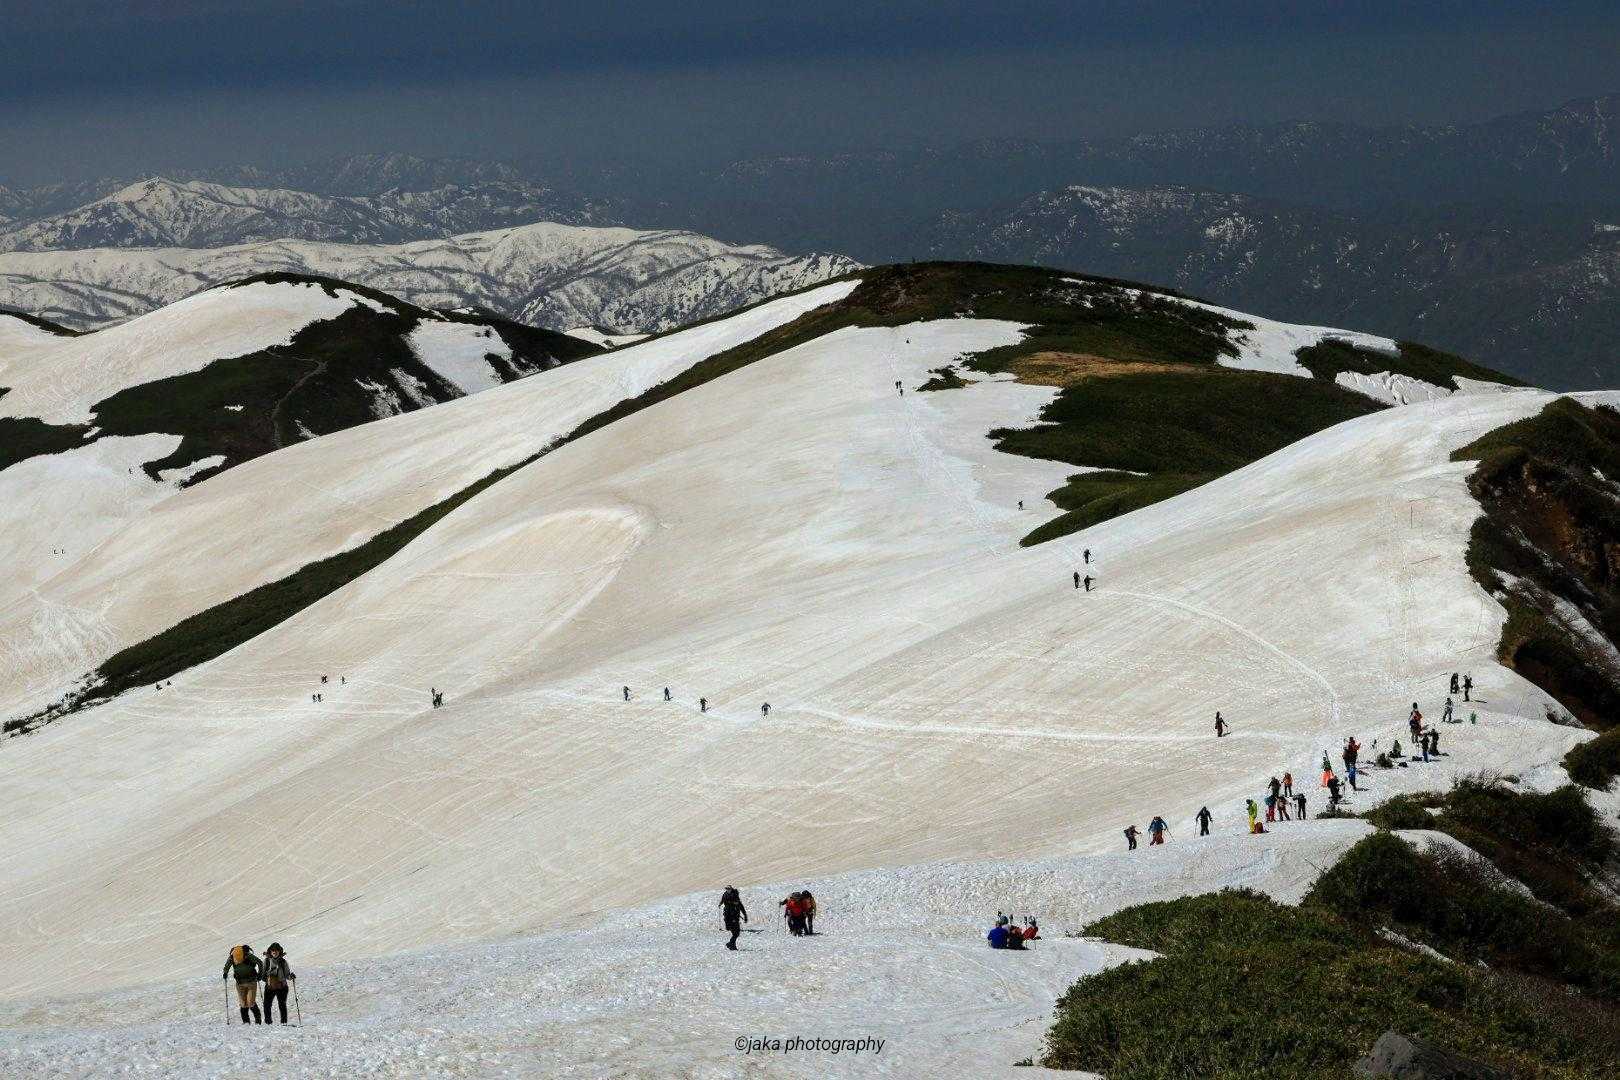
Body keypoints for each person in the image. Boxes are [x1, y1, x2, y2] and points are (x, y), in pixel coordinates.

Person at [222, 944, 263, 1024]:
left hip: (251, 982)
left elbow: (260, 963)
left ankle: (258, 1021)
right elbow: (227, 966)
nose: (237, 961)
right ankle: (246, 1022)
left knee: (250, 1002)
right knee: (243, 1004)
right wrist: (225, 973)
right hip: (240, 983)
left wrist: (260, 975)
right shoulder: (232, 957)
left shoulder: (248, 956)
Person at [261, 943, 296, 1025]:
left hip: (281, 987)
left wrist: (291, 976)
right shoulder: (266, 961)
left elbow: (287, 975)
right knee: (267, 1005)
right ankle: (268, 1022)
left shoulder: (283, 962)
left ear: (279, 951)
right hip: (270, 986)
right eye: (273, 950)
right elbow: (263, 974)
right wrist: (267, 977)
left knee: (282, 1005)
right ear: (270, 951)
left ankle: (283, 1022)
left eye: (276, 951)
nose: (274, 952)